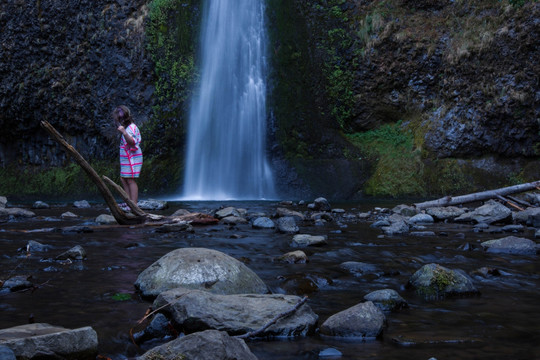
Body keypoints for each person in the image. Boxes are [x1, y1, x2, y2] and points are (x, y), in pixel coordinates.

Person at [112, 105, 143, 208]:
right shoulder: (127, 127)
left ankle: (133, 204)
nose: (119, 122)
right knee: (123, 178)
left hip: (132, 157)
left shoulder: (132, 128)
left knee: (130, 179)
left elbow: (132, 142)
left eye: (120, 119)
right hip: (126, 157)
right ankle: (128, 201)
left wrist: (124, 133)